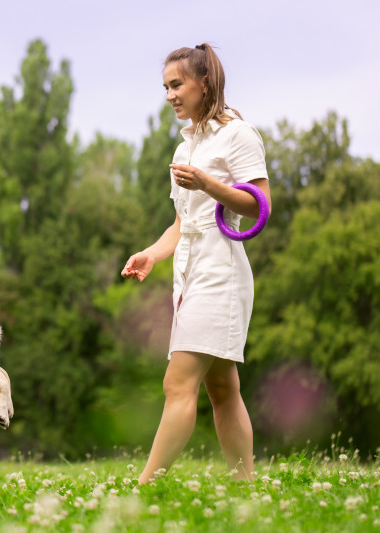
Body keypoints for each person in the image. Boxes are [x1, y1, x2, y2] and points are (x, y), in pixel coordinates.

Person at [121, 43, 271, 484]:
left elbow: (260, 205)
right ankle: (244, 487)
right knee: (222, 389)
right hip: (189, 274)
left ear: (204, 83)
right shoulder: (185, 147)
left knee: (177, 384)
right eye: (165, 87)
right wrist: (151, 253)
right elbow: (181, 225)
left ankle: (146, 485)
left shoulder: (238, 135)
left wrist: (209, 184)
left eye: (177, 84)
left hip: (221, 273)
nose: (169, 95)